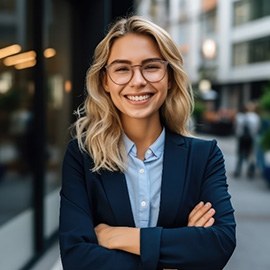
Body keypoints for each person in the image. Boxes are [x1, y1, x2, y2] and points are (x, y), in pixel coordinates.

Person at [59, 15, 236, 270]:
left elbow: (219, 244)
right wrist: (177, 251)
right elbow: (77, 259)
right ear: (105, 81)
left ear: (170, 77)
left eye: (151, 66)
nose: (138, 80)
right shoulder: (83, 155)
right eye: (122, 69)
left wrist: (118, 237)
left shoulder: (204, 156)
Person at [233, 102, 260, 178]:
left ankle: (238, 171)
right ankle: (250, 171)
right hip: (251, 138)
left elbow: (236, 128)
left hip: (241, 138)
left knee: (240, 154)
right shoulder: (255, 117)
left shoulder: (240, 116)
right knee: (251, 155)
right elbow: (257, 129)